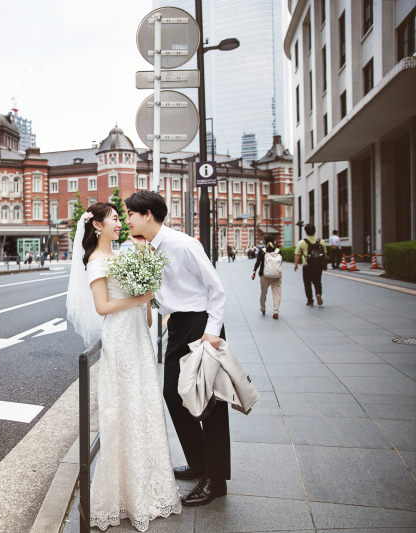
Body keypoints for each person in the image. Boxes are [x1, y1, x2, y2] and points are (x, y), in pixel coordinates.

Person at [66, 202, 181, 530]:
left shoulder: (123, 256)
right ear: (98, 226)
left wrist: (149, 298)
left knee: (144, 410)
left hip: (139, 338)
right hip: (119, 341)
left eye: (120, 218)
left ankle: (148, 488)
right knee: (124, 414)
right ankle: (123, 496)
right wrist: (141, 299)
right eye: (115, 218)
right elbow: (103, 307)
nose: (121, 223)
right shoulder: (96, 262)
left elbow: (147, 303)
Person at [126, 191, 230, 507]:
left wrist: (212, 332)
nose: (127, 219)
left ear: (147, 214)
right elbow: (162, 297)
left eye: (130, 213)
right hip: (177, 324)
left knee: (209, 403)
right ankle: (199, 463)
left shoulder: (184, 245)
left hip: (201, 326)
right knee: (173, 394)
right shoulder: (149, 249)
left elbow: (217, 290)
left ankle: (215, 480)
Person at [294, 223, 328, 306]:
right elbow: (325, 255)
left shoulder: (302, 242)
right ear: (315, 231)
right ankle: (318, 294)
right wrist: (325, 265)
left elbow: (297, 254)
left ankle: (310, 301)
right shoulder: (321, 241)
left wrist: (296, 264)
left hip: (307, 266)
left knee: (307, 283)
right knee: (317, 281)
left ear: (306, 232)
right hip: (318, 265)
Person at [252, 235, 282, 319]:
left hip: (265, 275)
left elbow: (258, 262)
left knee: (263, 292)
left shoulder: (263, 251)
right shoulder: (278, 251)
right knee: (277, 294)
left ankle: (263, 308)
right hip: (276, 275)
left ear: (265, 242)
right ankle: (275, 311)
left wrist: (254, 271)